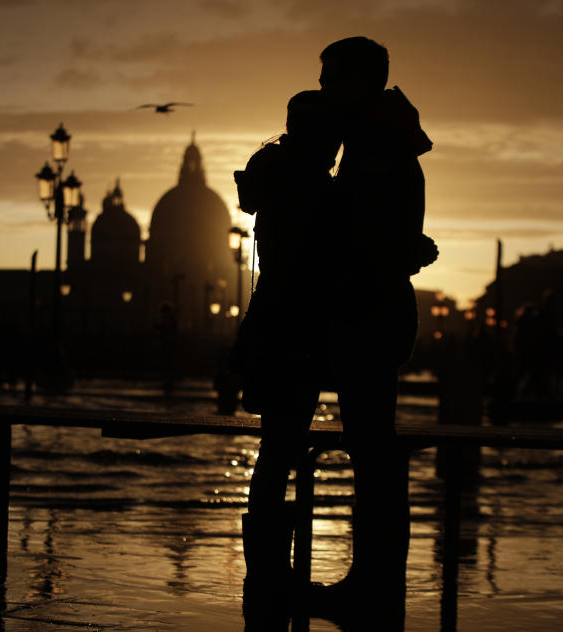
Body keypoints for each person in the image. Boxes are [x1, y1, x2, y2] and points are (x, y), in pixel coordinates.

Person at [313, 36, 435, 625]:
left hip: (368, 311)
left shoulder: (374, 146)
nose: (323, 89)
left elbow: (366, 236)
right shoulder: (380, 139)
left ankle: (372, 586)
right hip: (377, 307)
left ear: (365, 82)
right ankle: (373, 582)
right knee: (374, 452)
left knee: (374, 455)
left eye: (333, 78)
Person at [233, 89, 341, 621]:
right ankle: (274, 577)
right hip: (297, 328)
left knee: (273, 455)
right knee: (281, 450)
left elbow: (249, 200)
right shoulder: (315, 185)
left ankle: (267, 574)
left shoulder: (272, 168)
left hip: (267, 320)